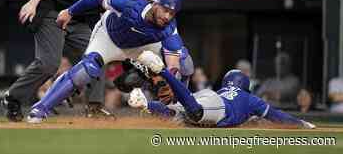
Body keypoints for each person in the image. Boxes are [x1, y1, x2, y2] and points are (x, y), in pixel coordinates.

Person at [2, 0, 133, 122]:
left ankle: (94, 107)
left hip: (79, 22)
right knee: (49, 64)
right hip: (54, 12)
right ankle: (12, 98)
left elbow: (109, 19)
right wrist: (33, 3)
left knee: (98, 55)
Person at [26, 0, 184, 123]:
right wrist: (69, 11)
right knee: (86, 70)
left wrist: (170, 78)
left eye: (172, 13)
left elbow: (173, 64)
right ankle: (40, 108)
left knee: (184, 63)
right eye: (165, 10)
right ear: (155, 4)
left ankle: (174, 111)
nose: (167, 16)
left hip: (142, 47)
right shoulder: (129, 3)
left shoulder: (169, 29)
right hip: (110, 38)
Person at [128, 51, 316, 129]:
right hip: (216, 107)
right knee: (194, 112)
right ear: (244, 84)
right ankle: (162, 70)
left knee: (177, 114)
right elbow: (277, 116)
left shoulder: (223, 91)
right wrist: (300, 123)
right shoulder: (250, 99)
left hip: (209, 98)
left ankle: (147, 104)